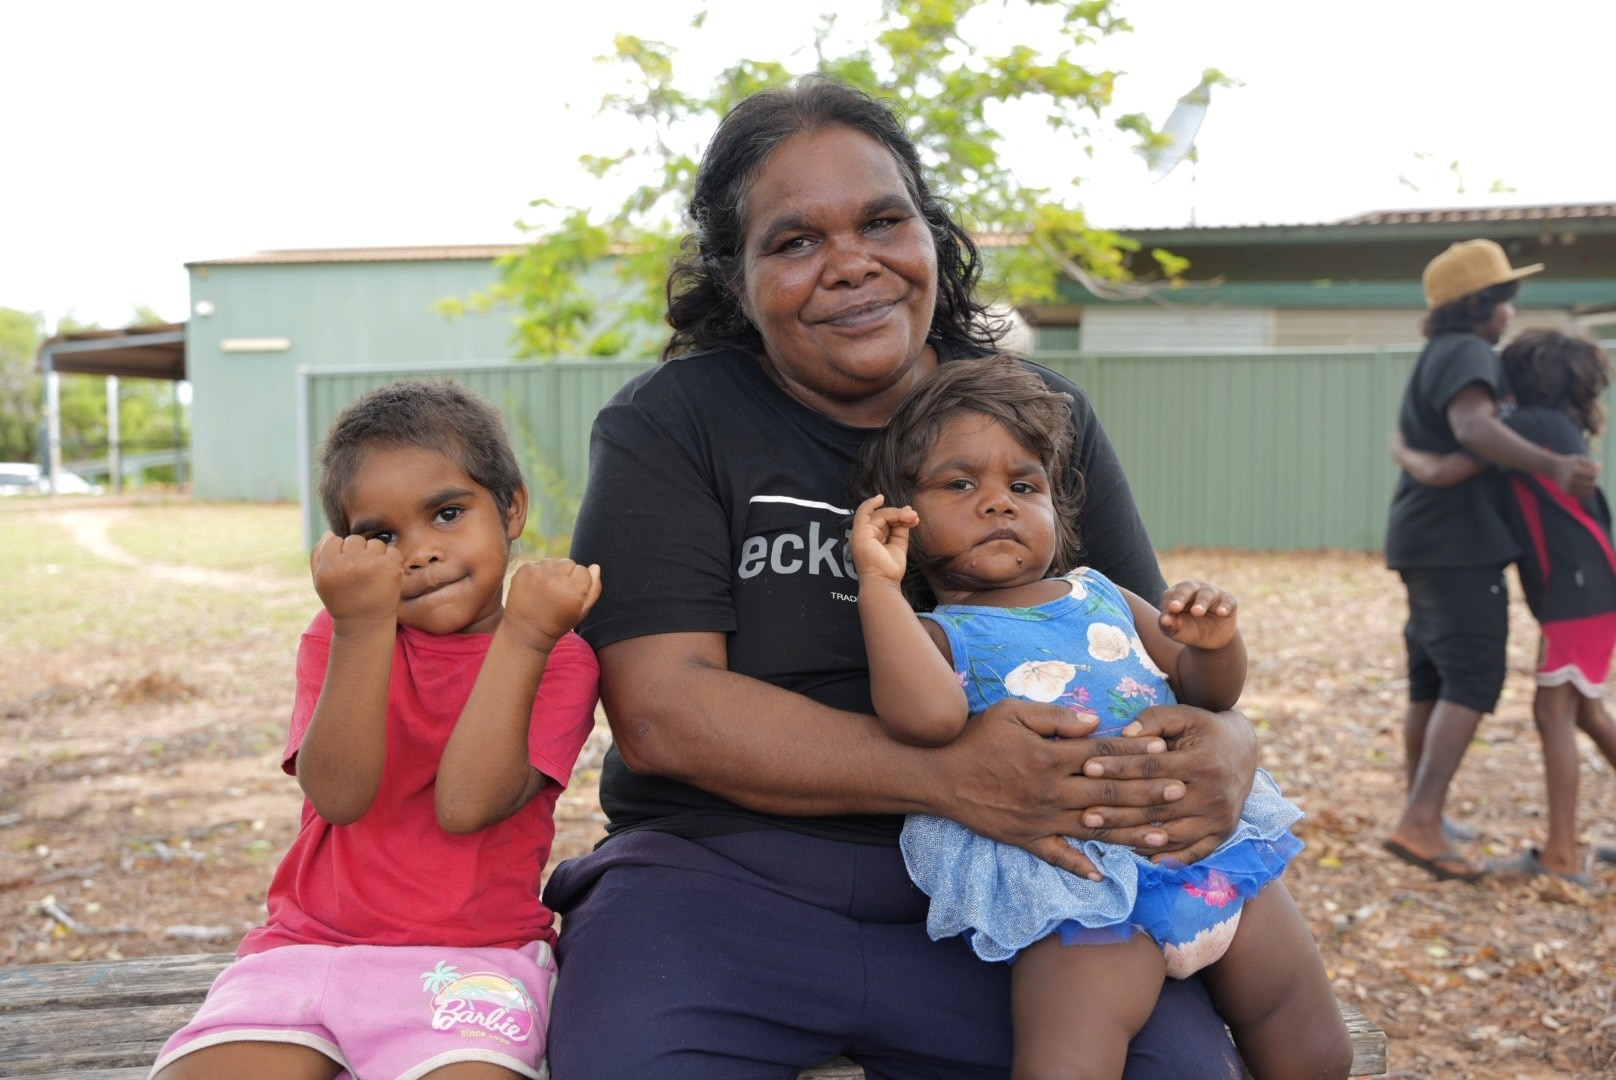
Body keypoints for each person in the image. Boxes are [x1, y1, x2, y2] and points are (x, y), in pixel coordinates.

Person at [543, 77, 1263, 1079]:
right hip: (720, 881)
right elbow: (662, 711)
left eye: (883, 220)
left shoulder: (1035, 414)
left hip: (1033, 893)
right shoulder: (674, 422)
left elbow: (1148, 654)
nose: (851, 264)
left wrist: (1231, 743)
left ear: (932, 233)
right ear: (735, 278)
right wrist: (948, 777)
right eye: (795, 241)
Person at [849, 356, 1352, 1079]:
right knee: (1070, 1063)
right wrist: (879, 585)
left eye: (1024, 486)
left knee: (1316, 1049)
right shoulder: (938, 636)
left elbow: (1207, 695)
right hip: (1082, 895)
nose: (999, 504)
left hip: (1214, 858)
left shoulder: (1103, 594)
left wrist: (1215, 645)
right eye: (960, 485)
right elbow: (925, 721)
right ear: (902, 518)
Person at [151, 380, 602, 1080]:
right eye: (383, 536)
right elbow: (337, 795)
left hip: (473, 958)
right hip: (307, 949)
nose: (418, 553)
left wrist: (526, 635)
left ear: (511, 507)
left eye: (447, 514)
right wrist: (360, 626)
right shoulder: (341, 634)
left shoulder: (556, 655)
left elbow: (467, 804)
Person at [1382, 238, 1600, 883]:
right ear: (1478, 304)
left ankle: (1424, 810)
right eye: (1503, 300)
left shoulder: (1439, 352)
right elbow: (1474, 427)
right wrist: (1553, 465)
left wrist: (1424, 461)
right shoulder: (1469, 351)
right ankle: (1421, 823)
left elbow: (1443, 443)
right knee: (1474, 676)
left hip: (1424, 540)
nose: (1510, 313)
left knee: (1432, 677)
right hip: (1459, 544)